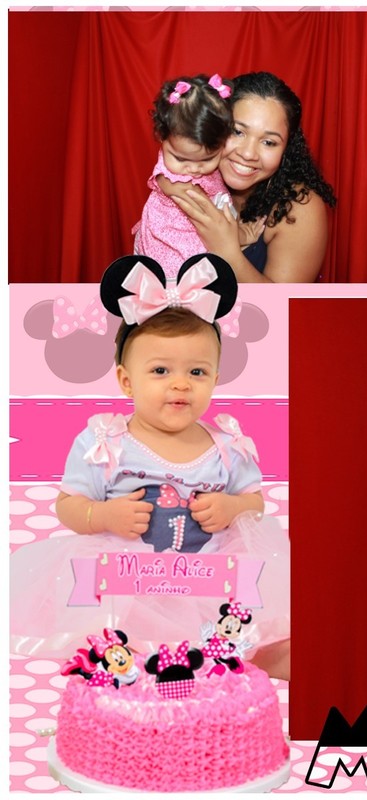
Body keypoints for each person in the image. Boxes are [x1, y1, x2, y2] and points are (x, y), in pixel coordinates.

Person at [9, 254, 290, 678]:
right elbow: (68, 505)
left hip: (206, 580)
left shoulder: (227, 446)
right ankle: (125, 665)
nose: (180, 383)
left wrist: (232, 508)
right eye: (160, 370)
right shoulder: (106, 442)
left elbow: (255, 503)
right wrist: (103, 515)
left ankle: (250, 659)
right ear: (127, 380)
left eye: (197, 372)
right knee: (107, 634)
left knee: (253, 626)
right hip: (127, 586)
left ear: (216, 379)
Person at [170, 72, 337, 283]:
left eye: (268, 142)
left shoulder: (299, 208)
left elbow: (284, 302)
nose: (248, 153)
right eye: (237, 132)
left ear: (286, 149)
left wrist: (226, 251)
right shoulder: (192, 174)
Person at [133, 74, 262, 279]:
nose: (193, 169)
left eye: (207, 159)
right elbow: (216, 224)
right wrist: (244, 234)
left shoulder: (187, 160)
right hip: (173, 260)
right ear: (161, 138)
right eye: (180, 158)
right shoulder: (176, 183)